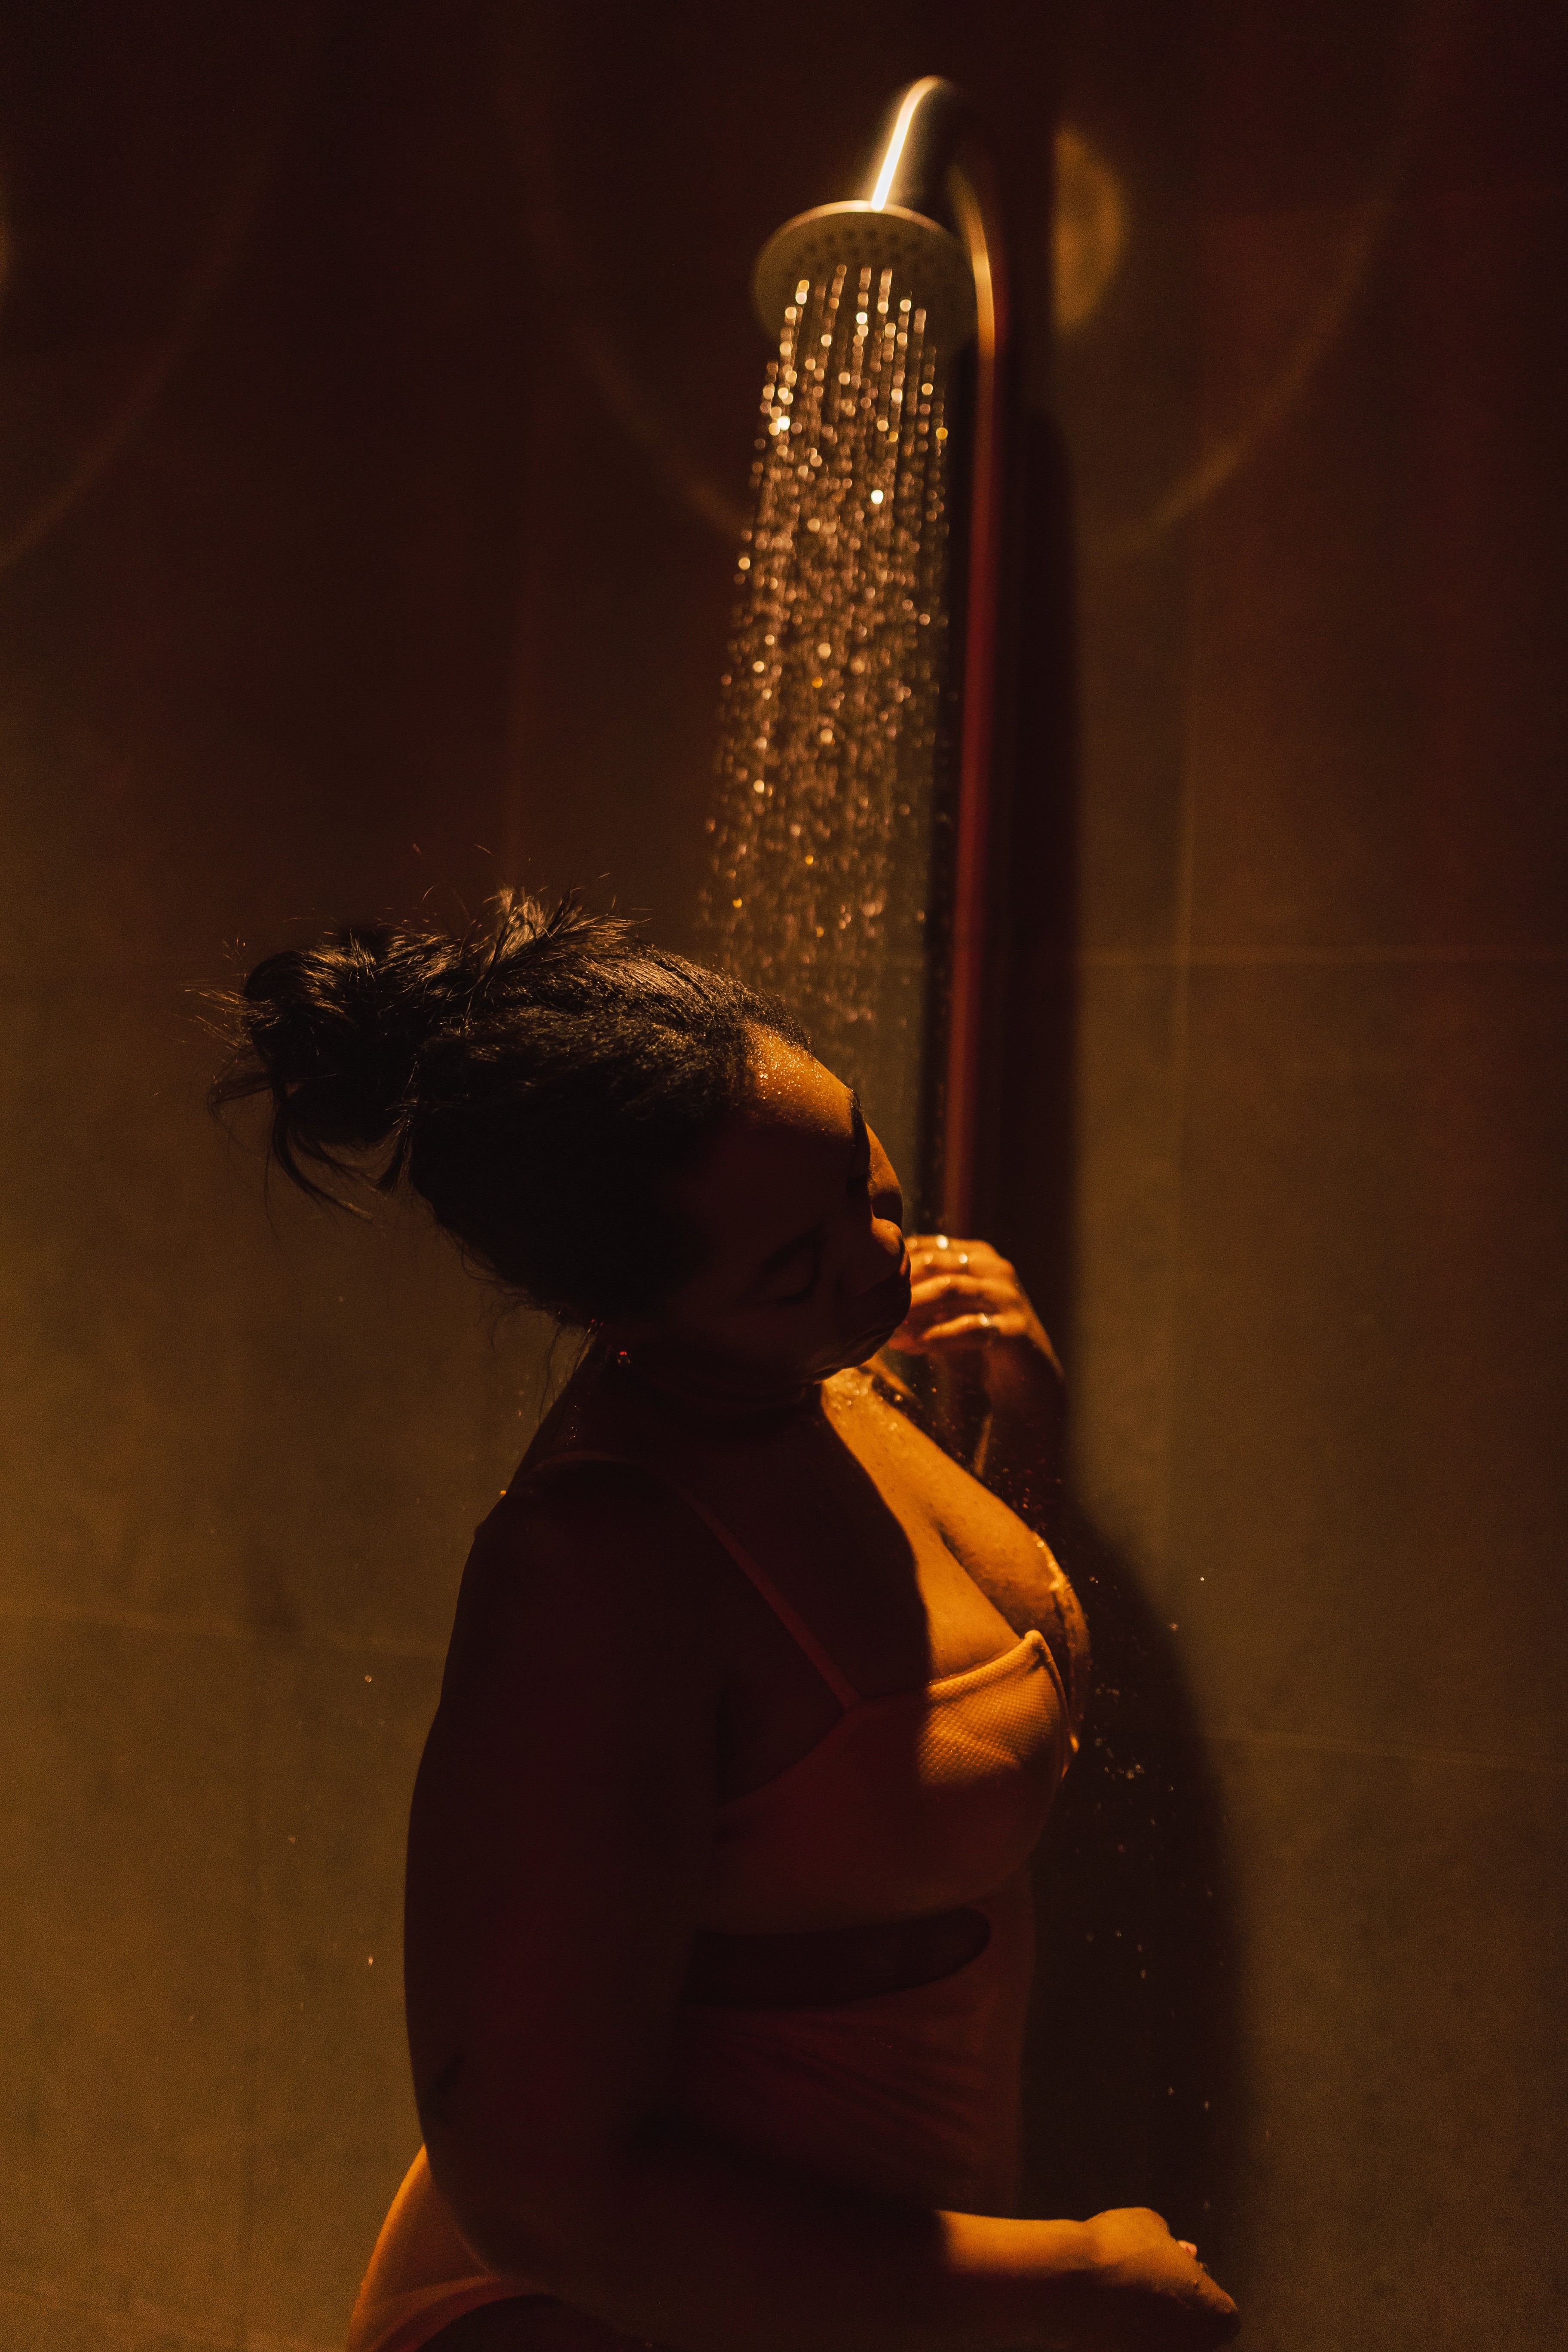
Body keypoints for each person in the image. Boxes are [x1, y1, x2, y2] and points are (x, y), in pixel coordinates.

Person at [214, 889, 1239, 2352]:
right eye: (788, 1264)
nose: (875, 1251)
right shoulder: (597, 1576)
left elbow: (903, 1703)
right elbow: (542, 2194)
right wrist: (1071, 2281)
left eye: (856, 1172)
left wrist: (1022, 1442)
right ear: (633, 1318)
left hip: (852, 2282)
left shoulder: (819, 1385)